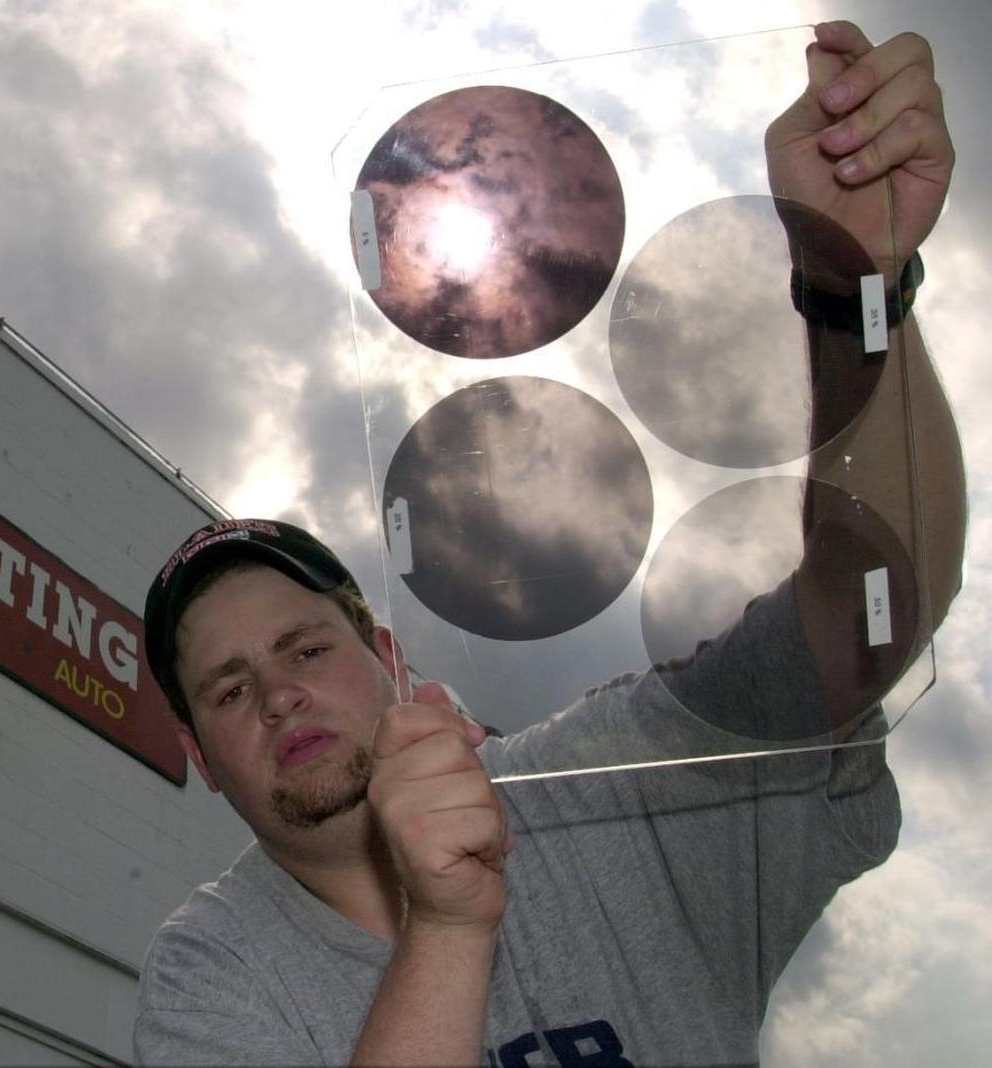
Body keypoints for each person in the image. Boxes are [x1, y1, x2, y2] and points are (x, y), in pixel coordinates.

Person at [133, 21, 964, 1067]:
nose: (280, 695)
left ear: (390, 659)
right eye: (227, 689)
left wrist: (853, 283)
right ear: (204, 761)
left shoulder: (601, 792)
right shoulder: (211, 972)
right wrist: (446, 927)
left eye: (305, 649)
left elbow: (865, 612)